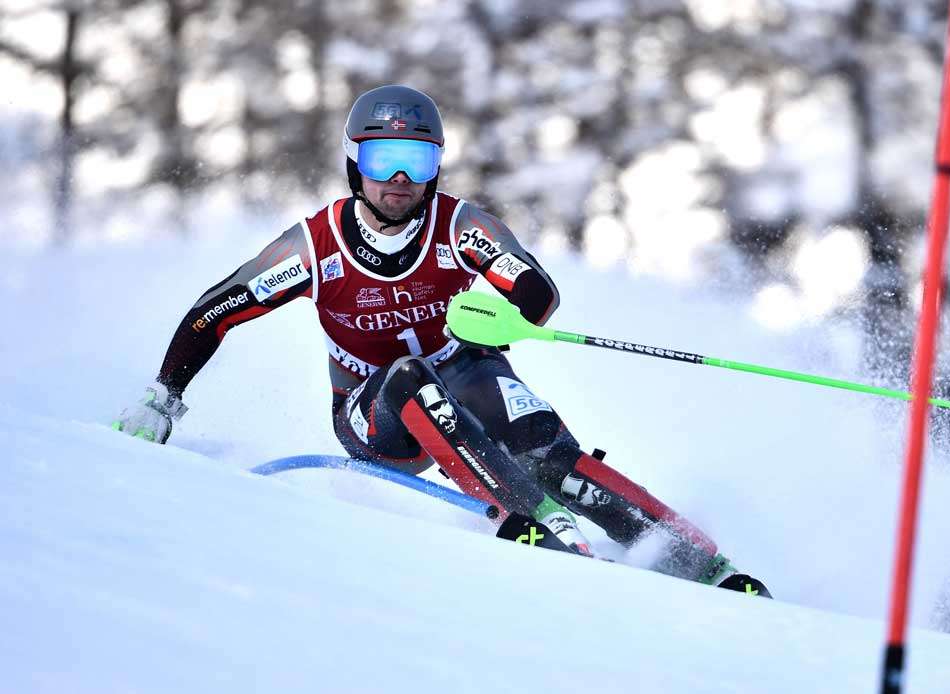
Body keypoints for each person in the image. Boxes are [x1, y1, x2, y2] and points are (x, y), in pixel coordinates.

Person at [113, 85, 771, 598]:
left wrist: (516, 302)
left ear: (435, 168)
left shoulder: (460, 226)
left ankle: (697, 561)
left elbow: (536, 291)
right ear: (354, 164)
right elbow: (214, 311)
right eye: (382, 159)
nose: (399, 179)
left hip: (467, 381)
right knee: (406, 374)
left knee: (535, 438)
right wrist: (163, 395)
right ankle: (530, 518)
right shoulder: (316, 247)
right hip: (376, 416)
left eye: (416, 161)